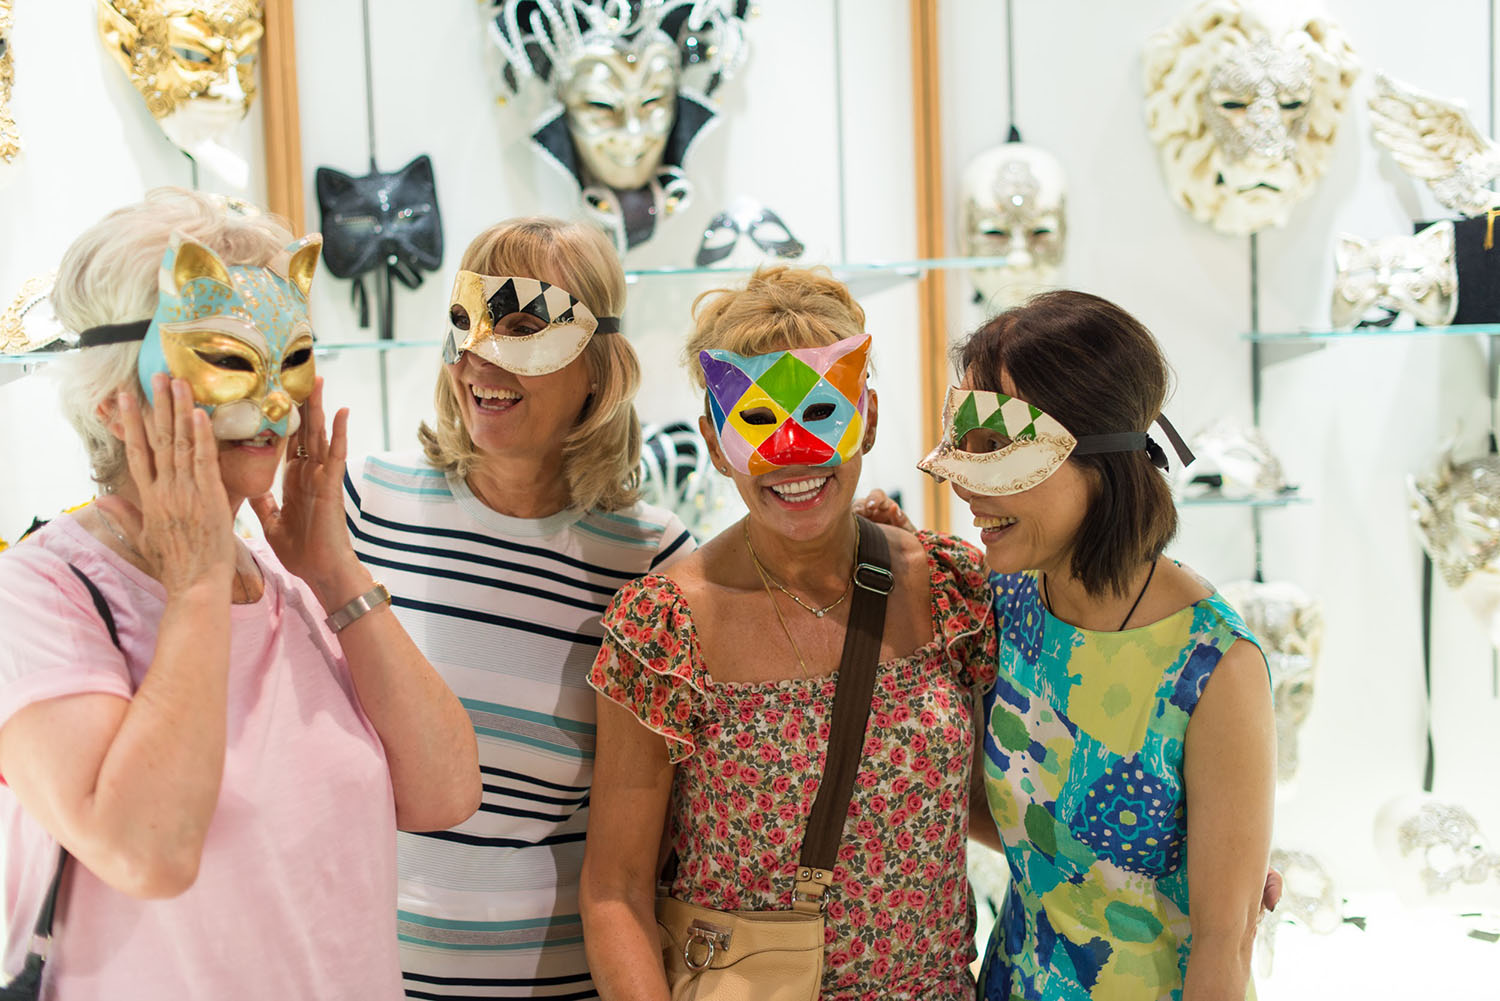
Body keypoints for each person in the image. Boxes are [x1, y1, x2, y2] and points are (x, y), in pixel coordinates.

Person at [0, 188, 480, 997]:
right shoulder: (41, 593)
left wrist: (335, 572)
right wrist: (194, 590)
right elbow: (149, 852)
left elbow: (446, 791)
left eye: (291, 358)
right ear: (117, 401)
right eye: (227, 360)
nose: (275, 403)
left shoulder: (286, 582)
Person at [579, 266, 998, 1000]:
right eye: (757, 419)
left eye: (822, 409)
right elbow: (616, 889)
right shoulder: (665, 629)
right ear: (715, 443)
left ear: (867, 416)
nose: (794, 450)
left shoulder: (949, 590)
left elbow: (1004, 807)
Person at [342, 217, 693, 1000]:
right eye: (464, 320)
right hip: (369, 975)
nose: (478, 355)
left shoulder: (652, 564)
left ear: (598, 365)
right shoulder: (363, 506)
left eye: (523, 328)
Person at [916, 290, 1275, 1001]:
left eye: (997, 449)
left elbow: (1224, 944)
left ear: (1098, 456)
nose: (963, 485)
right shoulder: (1007, 602)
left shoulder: (1214, 667)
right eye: (965, 445)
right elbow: (1027, 830)